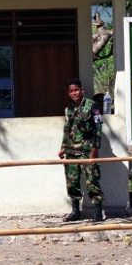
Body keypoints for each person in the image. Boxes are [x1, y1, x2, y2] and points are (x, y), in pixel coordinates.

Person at [58, 79, 105, 222]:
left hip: (87, 150)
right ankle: (75, 211)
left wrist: (95, 148)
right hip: (72, 151)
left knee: (92, 181)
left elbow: (98, 128)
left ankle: (98, 212)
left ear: (82, 91)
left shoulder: (93, 106)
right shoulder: (69, 109)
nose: (74, 93)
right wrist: (63, 148)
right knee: (72, 181)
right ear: (68, 93)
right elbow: (67, 130)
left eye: (76, 90)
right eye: (71, 91)